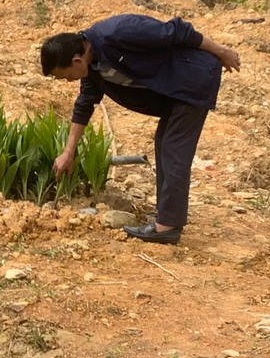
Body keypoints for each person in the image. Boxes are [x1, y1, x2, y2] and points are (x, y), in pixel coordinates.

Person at [40, 15, 241, 244]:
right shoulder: (92, 67)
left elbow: (178, 30)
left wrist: (221, 51)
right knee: (164, 145)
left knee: (174, 151)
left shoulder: (117, 32)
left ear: (76, 61)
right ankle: (167, 219)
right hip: (171, 94)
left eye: (65, 77)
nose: (68, 81)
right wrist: (68, 152)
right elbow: (85, 104)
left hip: (191, 80)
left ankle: (166, 227)